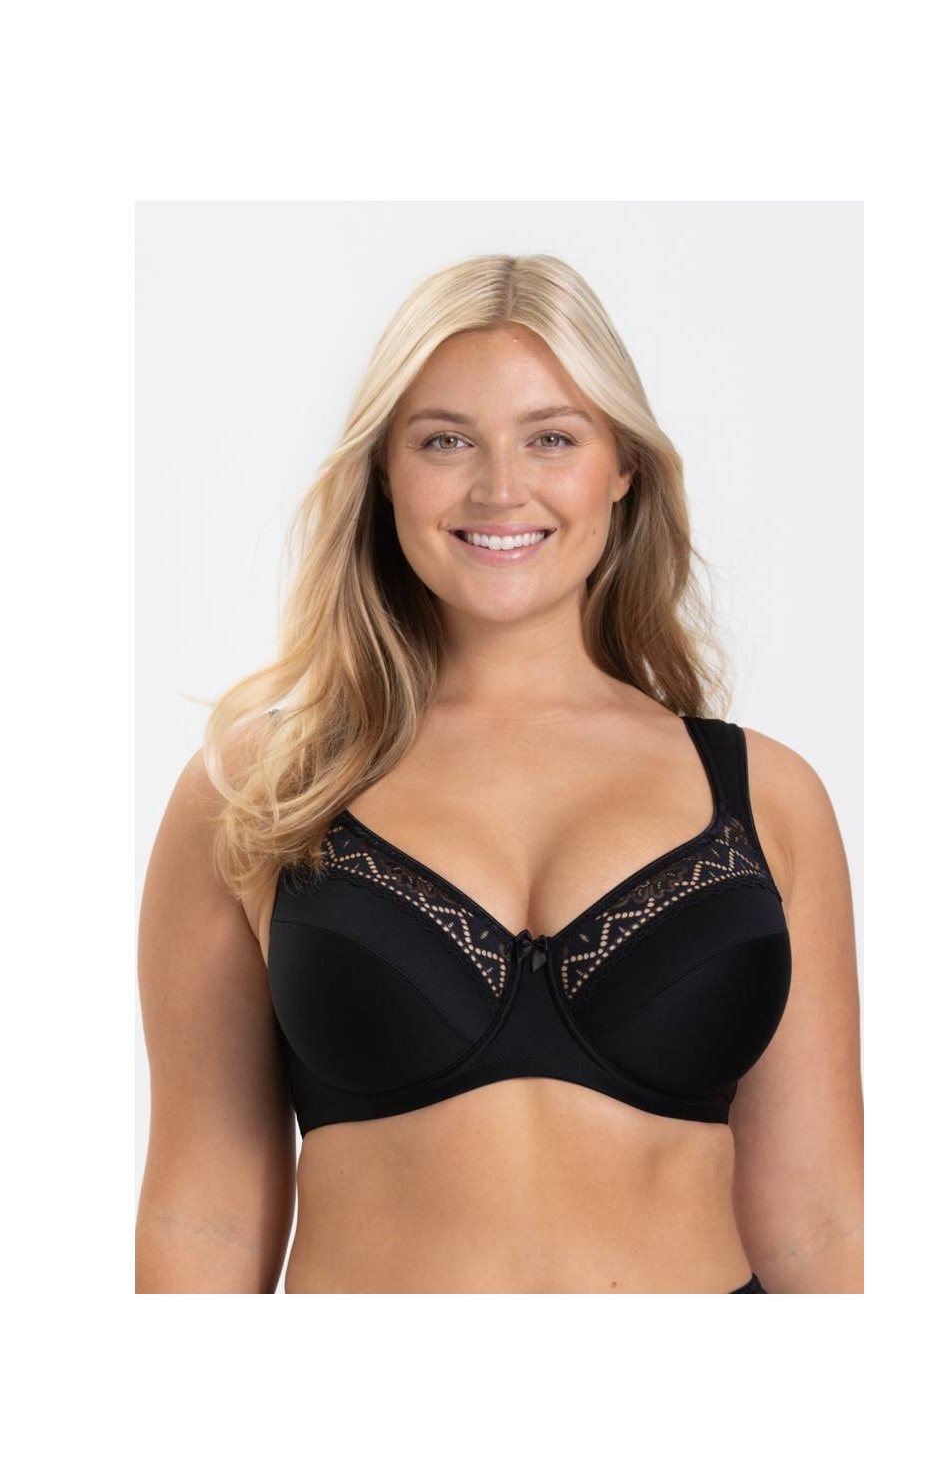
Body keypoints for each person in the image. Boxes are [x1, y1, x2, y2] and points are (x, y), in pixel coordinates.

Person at [135, 252, 863, 1294]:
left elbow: (822, 1217)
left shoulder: (766, 796)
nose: (500, 488)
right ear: (384, 471)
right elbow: (201, 1215)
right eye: (444, 440)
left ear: (623, 466)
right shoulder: (259, 789)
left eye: (551, 438)